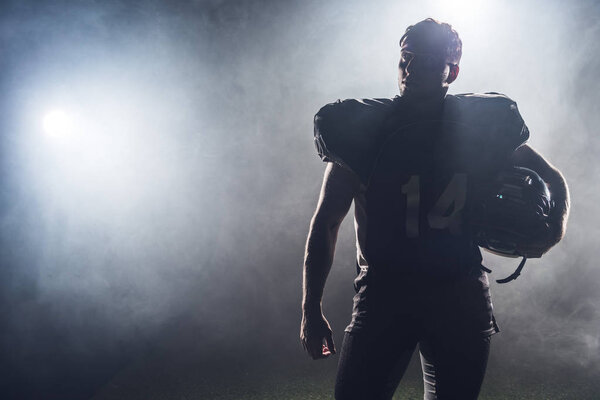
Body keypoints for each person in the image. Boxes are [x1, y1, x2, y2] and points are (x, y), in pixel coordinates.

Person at [300, 18, 570, 400]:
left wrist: (554, 230)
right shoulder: (365, 129)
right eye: (405, 58)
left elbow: (553, 177)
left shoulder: (478, 126)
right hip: (386, 292)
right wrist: (311, 309)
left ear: (452, 71)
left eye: (425, 60)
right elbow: (326, 223)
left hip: (455, 291)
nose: (410, 69)